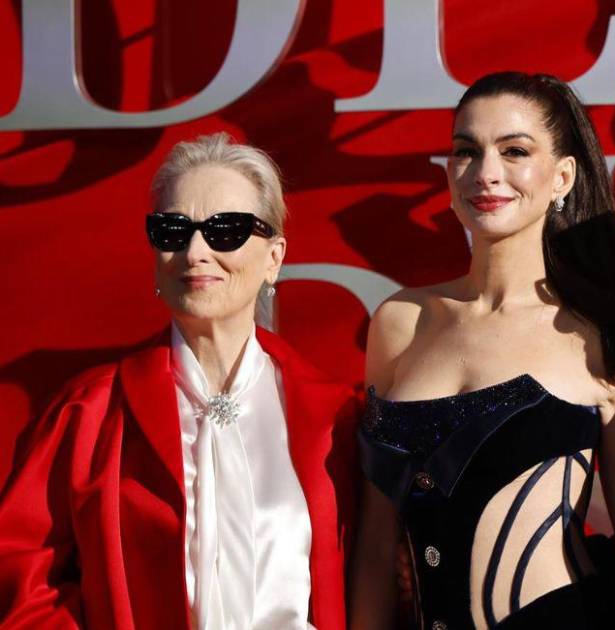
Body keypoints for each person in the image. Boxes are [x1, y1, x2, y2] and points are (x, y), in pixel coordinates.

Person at [0, 132, 359, 629]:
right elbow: (21, 579)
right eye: (172, 230)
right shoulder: (87, 414)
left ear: (274, 258)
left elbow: (381, 579)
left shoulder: (337, 418)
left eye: (226, 230)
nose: (195, 252)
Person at [350, 72, 615, 630]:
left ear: (563, 176)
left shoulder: (604, 336)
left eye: (514, 151)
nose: (486, 172)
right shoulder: (399, 322)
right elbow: (374, 545)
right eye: (467, 151)